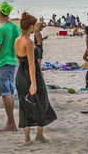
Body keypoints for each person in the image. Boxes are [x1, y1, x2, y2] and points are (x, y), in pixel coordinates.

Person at [14, 12, 57, 144]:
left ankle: (27, 137)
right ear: (31, 26)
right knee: (41, 101)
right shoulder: (28, 42)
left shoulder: (17, 40)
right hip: (31, 75)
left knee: (24, 104)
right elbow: (32, 63)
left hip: (20, 74)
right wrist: (33, 82)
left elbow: (19, 59)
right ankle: (39, 134)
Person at [0, 1, 21, 133]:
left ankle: (11, 122)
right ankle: (11, 122)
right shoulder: (15, 27)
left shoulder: (1, 29)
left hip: (2, 63)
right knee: (10, 92)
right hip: (12, 62)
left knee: (6, 94)